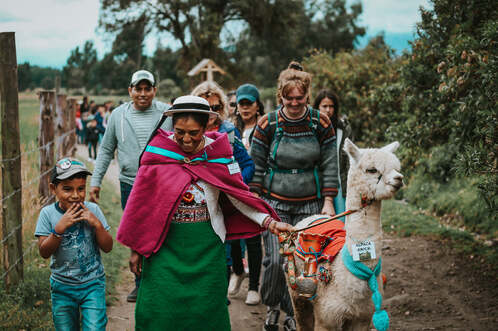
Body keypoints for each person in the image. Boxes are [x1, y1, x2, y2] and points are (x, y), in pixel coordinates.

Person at [116, 96, 293, 330]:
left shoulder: (219, 154)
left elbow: (237, 196)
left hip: (207, 251)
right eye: (180, 132)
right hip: (164, 249)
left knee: (206, 312)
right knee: (158, 310)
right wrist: (136, 249)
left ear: (206, 127)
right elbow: (141, 206)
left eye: (194, 133)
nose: (186, 139)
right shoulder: (158, 154)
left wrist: (270, 222)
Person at [249, 61, 339, 331]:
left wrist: (329, 201)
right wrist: (256, 205)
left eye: (300, 98)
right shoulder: (268, 124)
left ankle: (293, 315)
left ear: (308, 97)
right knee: (277, 262)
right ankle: (273, 304)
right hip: (275, 203)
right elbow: (256, 166)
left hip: (310, 204)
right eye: (289, 99)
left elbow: (329, 165)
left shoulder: (320, 122)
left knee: (304, 265)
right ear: (281, 97)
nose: (295, 103)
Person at [89, 69, 172, 302]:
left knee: (162, 231)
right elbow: (105, 150)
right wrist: (95, 182)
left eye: (148, 89)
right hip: (130, 183)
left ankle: (161, 281)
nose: (143, 94)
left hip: (161, 184)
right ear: (130, 91)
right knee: (137, 232)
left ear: (155, 90)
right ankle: (140, 283)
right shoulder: (118, 115)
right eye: (139, 89)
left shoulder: (167, 113)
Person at [191, 81, 261, 305]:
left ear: (220, 108)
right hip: (198, 203)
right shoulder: (187, 132)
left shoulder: (228, 133)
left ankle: (226, 293)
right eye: (205, 107)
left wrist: (235, 181)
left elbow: (247, 164)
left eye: (214, 107)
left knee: (229, 245)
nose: (210, 112)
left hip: (226, 201)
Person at [35, 157, 113, 331]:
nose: (76, 195)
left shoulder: (93, 211)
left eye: (81, 189)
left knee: (94, 327)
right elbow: (44, 252)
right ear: (53, 189)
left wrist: (97, 225)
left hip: (93, 284)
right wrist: (58, 230)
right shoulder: (47, 214)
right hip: (62, 287)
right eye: (68, 189)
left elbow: (108, 247)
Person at [313, 89, 352, 221]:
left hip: (339, 182)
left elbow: (349, 158)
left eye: (331, 106)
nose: (328, 110)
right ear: (317, 107)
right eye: (324, 106)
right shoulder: (311, 128)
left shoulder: (342, 129)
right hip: (317, 182)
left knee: (341, 220)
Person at [235, 83, 265, 150]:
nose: (245, 107)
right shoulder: (231, 128)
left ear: (257, 106)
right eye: (242, 104)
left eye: (249, 103)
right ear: (237, 106)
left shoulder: (265, 127)